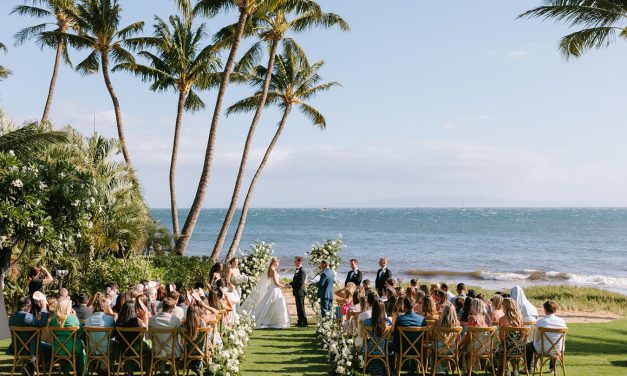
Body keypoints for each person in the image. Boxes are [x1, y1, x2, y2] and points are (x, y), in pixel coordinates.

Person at [240, 257, 291, 329]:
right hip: (275, 289)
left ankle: (272, 320)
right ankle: (273, 321)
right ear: (274, 263)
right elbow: (276, 283)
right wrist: (284, 286)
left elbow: (275, 282)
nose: (278, 264)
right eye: (277, 263)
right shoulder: (273, 271)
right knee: (274, 305)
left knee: (271, 305)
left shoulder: (270, 270)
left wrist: (283, 284)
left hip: (272, 289)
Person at [7, 296, 51, 368]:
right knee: (50, 347)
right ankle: (42, 366)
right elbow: (43, 323)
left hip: (17, 348)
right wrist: (43, 308)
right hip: (31, 348)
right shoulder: (27, 317)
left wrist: (37, 319)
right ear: (27, 307)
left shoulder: (12, 317)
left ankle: (31, 366)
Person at [525, 301, 567, 372]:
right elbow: (563, 338)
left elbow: (536, 338)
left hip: (543, 350)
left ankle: (528, 368)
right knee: (553, 344)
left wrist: (537, 343)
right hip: (558, 349)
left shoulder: (540, 322)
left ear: (545, 309)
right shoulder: (562, 321)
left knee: (528, 346)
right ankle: (552, 368)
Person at [50, 299, 86, 375]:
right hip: (72, 348)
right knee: (81, 346)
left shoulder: (53, 320)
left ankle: (66, 371)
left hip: (57, 348)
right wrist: (75, 316)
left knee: (75, 346)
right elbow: (81, 332)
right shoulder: (73, 319)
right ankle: (82, 373)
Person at [362, 300, 392, 376]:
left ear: (373, 309)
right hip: (383, 350)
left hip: (370, 350)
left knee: (365, 344)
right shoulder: (388, 322)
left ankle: (372, 371)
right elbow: (389, 338)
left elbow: (363, 337)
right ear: (383, 310)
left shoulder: (366, 322)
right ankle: (382, 371)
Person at [496, 297, 525, 369]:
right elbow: (523, 335)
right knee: (508, 348)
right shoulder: (520, 319)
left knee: (498, 350)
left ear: (505, 307)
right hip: (520, 349)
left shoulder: (502, 319)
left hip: (507, 348)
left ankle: (504, 369)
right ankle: (515, 370)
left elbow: (501, 338)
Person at [288, 256, 308, 327]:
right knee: (298, 307)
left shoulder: (302, 271)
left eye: (295, 261)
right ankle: (300, 321)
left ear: (299, 262)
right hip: (297, 291)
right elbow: (295, 281)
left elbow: (300, 282)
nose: (294, 262)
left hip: (300, 291)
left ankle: (304, 322)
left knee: (301, 307)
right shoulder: (297, 270)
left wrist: (291, 286)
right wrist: (289, 284)